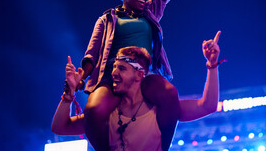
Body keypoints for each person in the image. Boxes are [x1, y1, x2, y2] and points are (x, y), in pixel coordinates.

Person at [75, 0, 178, 151]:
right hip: (113, 78)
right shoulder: (107, 19)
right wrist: (81, 77)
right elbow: (91, 54)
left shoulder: (151, 12)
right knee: (93, 110)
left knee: (170, 95)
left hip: (144, 75)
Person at [51, 31, 223, 151]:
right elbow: (59, 127)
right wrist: (69, 95)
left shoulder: (158, 109)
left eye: (122, 68)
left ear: (139, 75)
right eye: (114, 67)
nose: (114, 73)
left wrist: (212, 65)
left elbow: (208, 106)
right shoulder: (107, 112)